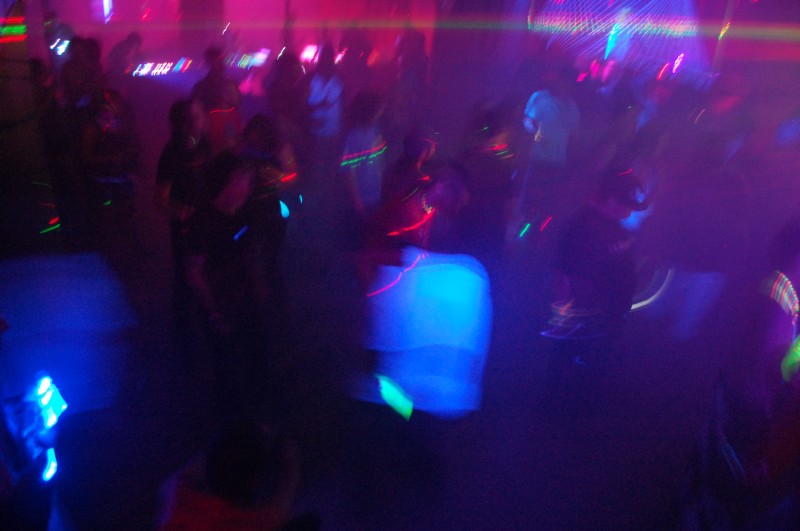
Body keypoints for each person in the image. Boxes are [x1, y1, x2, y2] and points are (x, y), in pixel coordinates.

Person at [541, 168, 649, 413]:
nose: (630, 212)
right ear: (611, 201)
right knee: (571, 367)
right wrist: (563, 316)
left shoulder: (614, 226)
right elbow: (566, 274)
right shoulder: (583, 228)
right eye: (627, 205)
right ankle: (558, 413)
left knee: (591, 366)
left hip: (607, 316)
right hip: (587, 317)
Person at [154, 98, 213, 340]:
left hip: (206, 221)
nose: (201, 120)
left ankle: (207, 320)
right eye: (194, 117)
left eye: (201, 115)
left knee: (206, 272)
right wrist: (181, 212)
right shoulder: (172, 154)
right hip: (185, 226)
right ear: (182, 123)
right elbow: (159, 200)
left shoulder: (205, 144)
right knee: (185, 276)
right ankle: (183, 333)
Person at [192, 46, 242, 154]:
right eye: (217, 61)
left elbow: (238, 104)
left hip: (228, 128)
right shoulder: (202, 87)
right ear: (209, 63)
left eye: (221, 60)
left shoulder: (230, 84)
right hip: (212, 133)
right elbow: (196, 111)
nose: (221, 64)